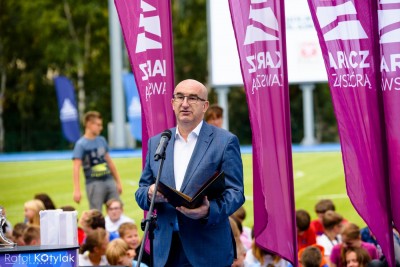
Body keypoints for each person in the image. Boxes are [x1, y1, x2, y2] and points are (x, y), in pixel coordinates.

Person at [135, 79, 245, 266]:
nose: (185, 103)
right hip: (166, 250)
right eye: (180, 97)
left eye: (193, 98)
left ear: (205, 106)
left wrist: (208, 211)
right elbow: (141, 191)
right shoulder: (159, 142)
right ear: (173, 103)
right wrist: (150, 193)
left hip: (207, 249)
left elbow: (236, 193)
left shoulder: (225, 141)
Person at [72, 111, 123, 212]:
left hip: (108, 180)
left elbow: (109, 162)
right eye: (98, 125)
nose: (101, 128)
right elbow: (76, 167)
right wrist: (77, 190)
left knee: (118, 209)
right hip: (94, 183)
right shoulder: (81, 144)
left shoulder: (102, 140)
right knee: (96, 214)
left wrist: (118, 181)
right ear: (89, 124)